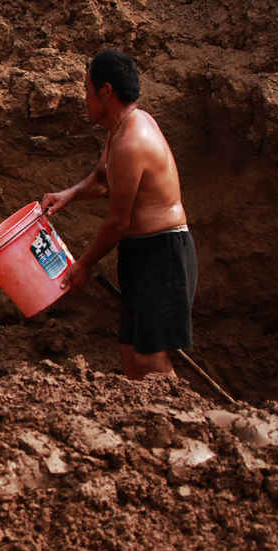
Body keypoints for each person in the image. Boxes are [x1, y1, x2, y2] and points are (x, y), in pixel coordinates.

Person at [41, 49, 197, 379]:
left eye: (87, 90)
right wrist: (68, 196)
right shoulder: (120, 130)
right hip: (140, 253)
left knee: (150, 361)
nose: (85, 99)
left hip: (163, 253)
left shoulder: (132, 140)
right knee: (130, 353)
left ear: (106, 91)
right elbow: (102, 179)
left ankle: (181, 423)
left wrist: (84, 263)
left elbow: (117, 221)